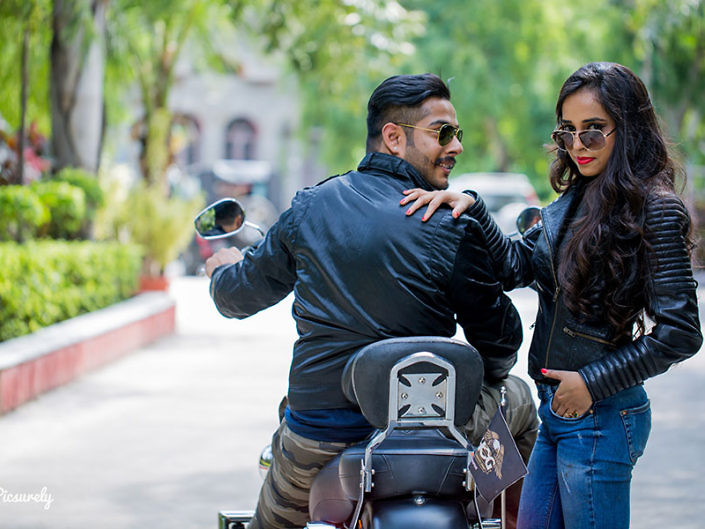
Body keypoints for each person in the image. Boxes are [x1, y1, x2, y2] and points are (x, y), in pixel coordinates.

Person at [205, 73, 538, 529]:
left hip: (319, 437)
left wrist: (222, 268)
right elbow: (500, 350)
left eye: (456, 133)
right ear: (394, 137)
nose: (457, 145)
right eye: (443, 132)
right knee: (519, 398)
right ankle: (499, 514)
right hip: (432, 440)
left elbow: (236, 297)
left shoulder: (310, 208)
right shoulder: (453, 223)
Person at [400, 62, 703, 529]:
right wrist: (473, 209)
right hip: (555, 410)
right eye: (569, 131)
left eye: (594, 131)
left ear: (629, 130)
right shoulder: (576, 200)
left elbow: (681, 333)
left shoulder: (655, 209)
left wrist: (593, 382)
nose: (578, 145)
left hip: (601, 415)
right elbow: (516, 266)